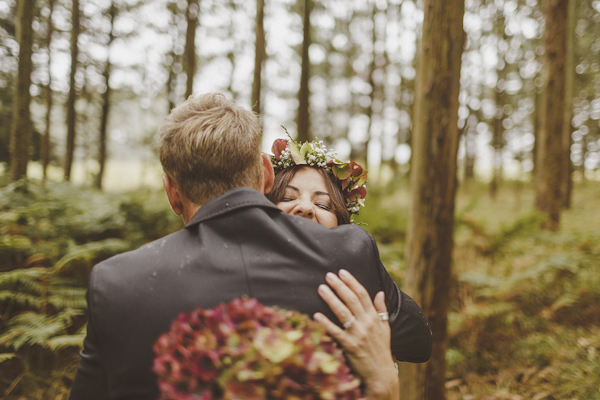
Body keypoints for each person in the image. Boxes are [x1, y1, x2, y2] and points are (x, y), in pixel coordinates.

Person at [68, 93, 431, 400]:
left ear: (171, 192)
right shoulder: (348, 253)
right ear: (266, 173)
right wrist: (384, 382)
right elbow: (417, 341)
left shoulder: (117, 283)